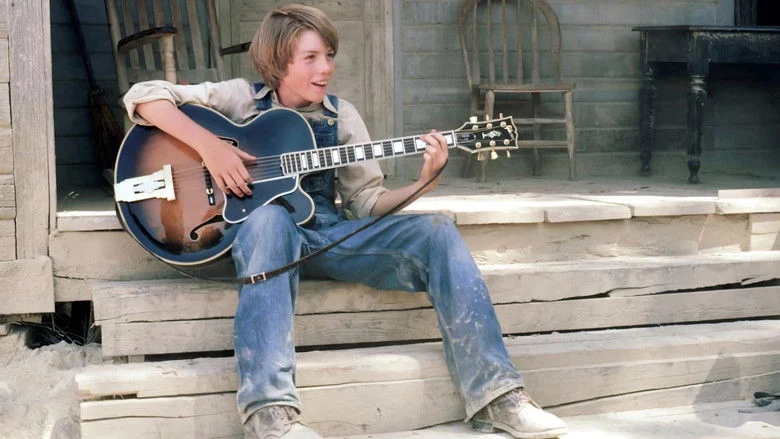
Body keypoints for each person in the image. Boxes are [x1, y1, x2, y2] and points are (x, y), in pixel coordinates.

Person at [122, 4, 568, 439]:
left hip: (326, 238)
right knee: (271, 220)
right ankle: (269, 415)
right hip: (264, 242)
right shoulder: (241, 99)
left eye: (329, 55)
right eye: (311, 58)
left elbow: (367, 203)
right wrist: (211, 148)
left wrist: (424, 182)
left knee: (438, 230)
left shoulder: (342, 116)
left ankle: (497, 396)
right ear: (278, 62)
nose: (326, 68)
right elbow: (142, 96)